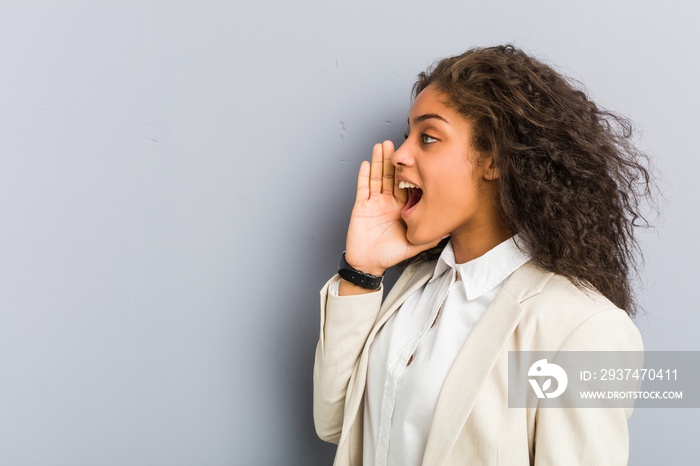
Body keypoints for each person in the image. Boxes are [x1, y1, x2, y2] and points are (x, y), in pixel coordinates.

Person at [313, 45, 653, 466]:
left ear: (493, 158)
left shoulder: (579, 330)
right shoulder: (418, 285)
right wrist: (362, 271)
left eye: (429, 138)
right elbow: (336, 424)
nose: (399, 155)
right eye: (407, 137)